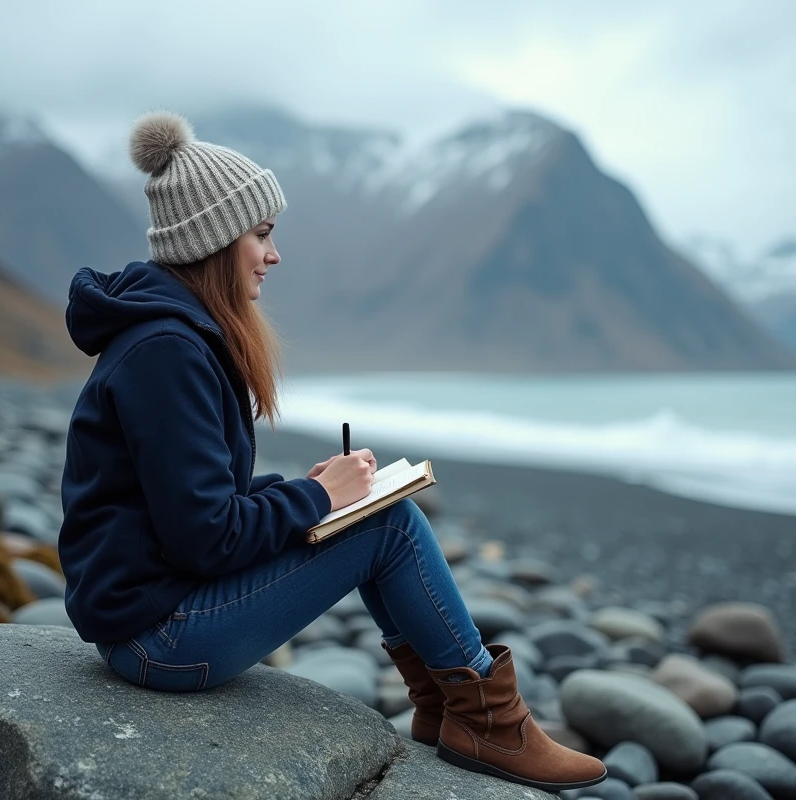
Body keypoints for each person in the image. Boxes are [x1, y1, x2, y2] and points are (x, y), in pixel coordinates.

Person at [57, 111, 606, 793]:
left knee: (370, 512)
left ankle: (442, 706)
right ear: (215, 240)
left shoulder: (168, 337)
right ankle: (490, 721)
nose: (274, 255)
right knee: (389, 524)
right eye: (262, 234)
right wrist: (318, 498)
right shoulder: (167, 352)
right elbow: (203, 539)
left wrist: (307, 491)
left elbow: (181, 505)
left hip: (149, 614)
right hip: (160, 639)